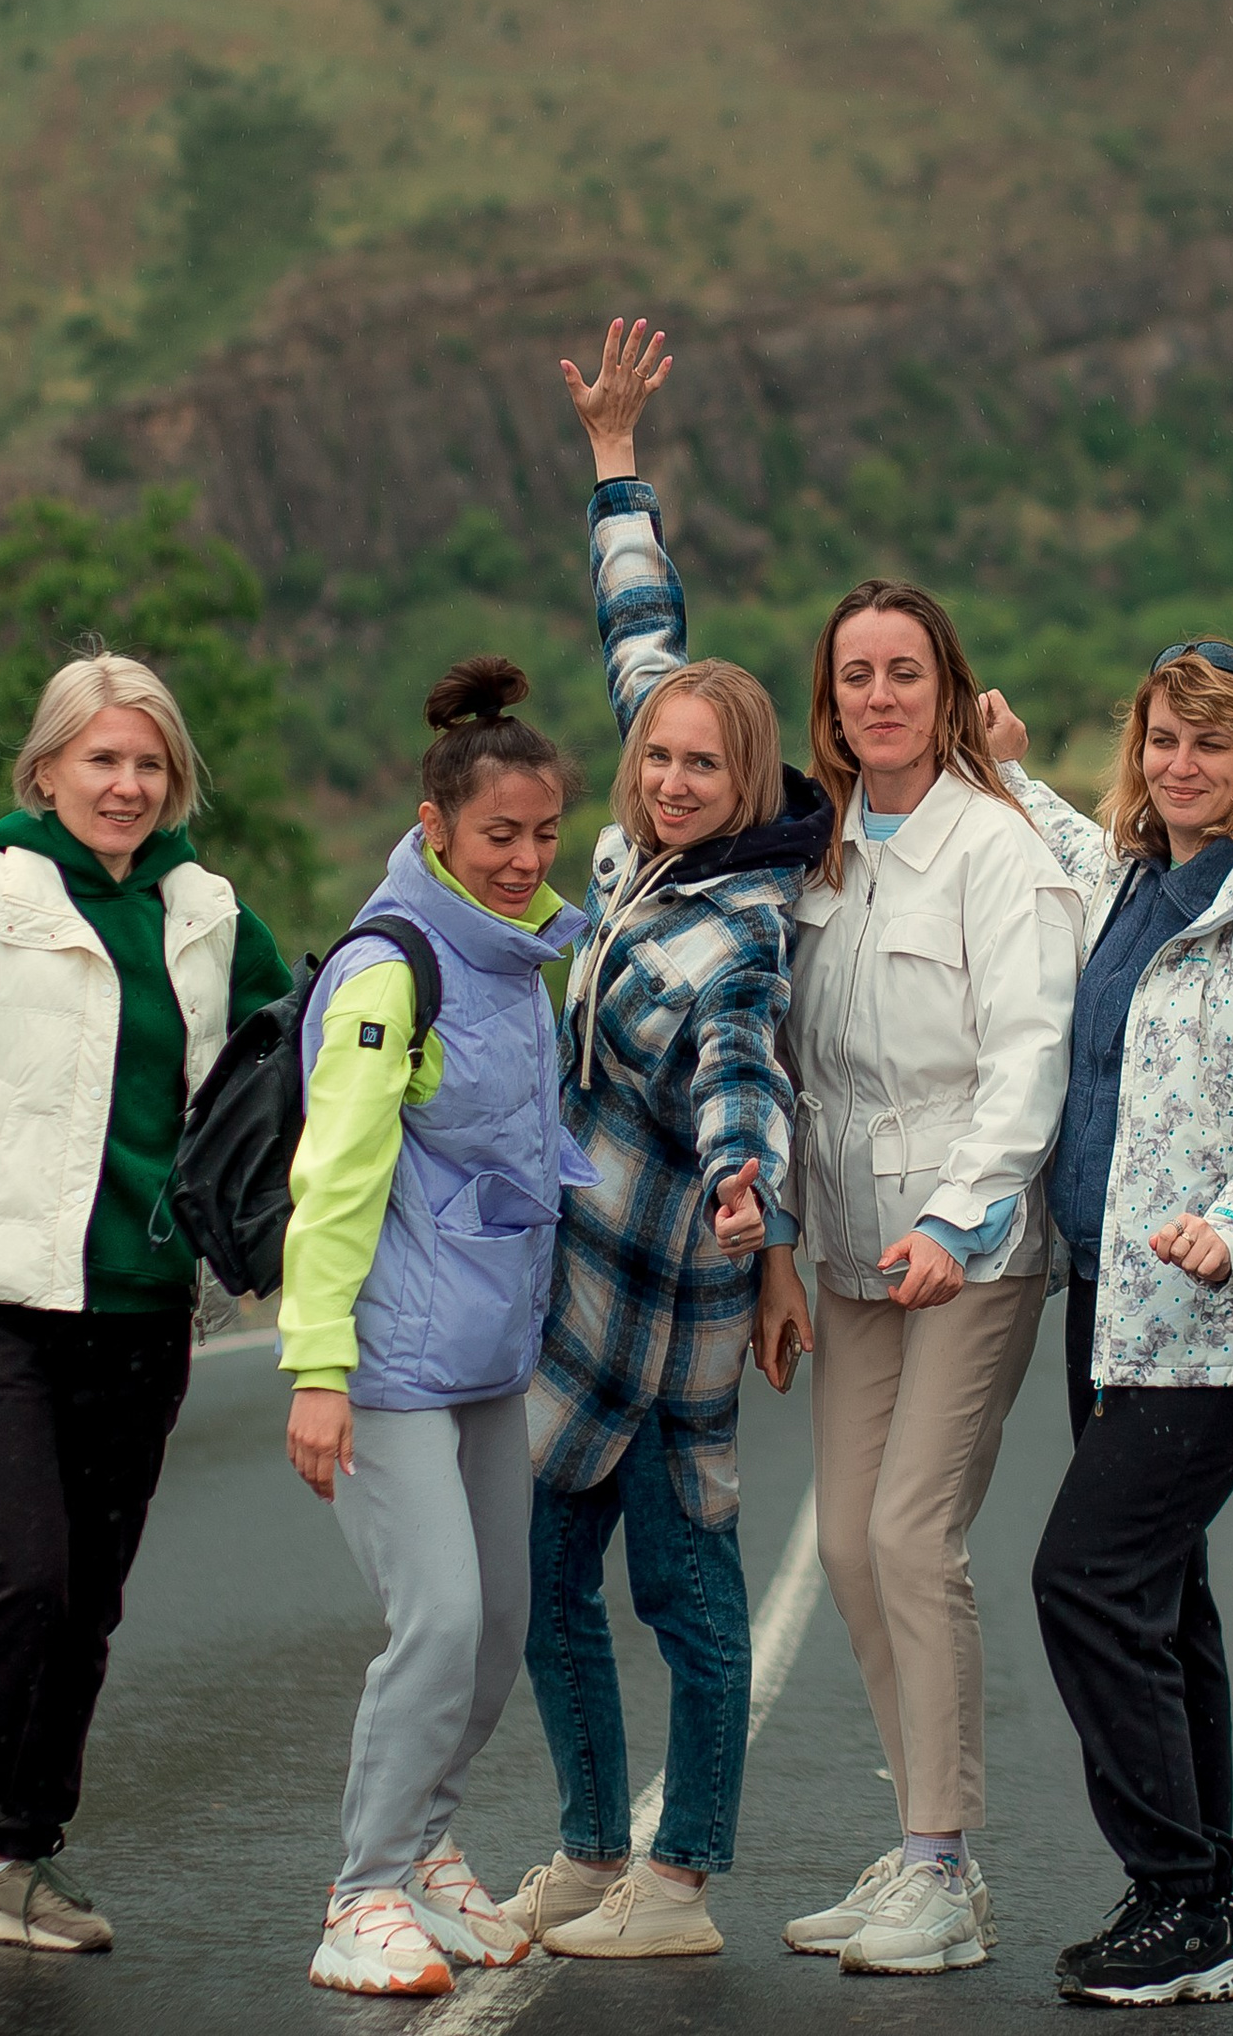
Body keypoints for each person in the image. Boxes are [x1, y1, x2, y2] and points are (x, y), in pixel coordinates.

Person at [0, 658, 294, 1973]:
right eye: (101, 759)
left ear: (174, 784)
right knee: (22, 1571)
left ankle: (23, 1856)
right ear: (46, 770)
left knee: (89, 1593)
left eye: (148, 763)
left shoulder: (212, 917)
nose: (126, 784)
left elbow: (302, 1047)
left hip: (145, 1300)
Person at [500, 321, 834, 1961]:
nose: (679, 773)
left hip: (677, 1313)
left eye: (708, 760)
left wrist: (749, 1195)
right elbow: (646, 629)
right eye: (660, 756)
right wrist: (614, 463)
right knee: (549, 1586)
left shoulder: (742, 927)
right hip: (580, 1301)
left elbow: (739, 1077)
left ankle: (682, 1880)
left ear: (749, 773)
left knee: (685, 1599)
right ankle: (582, 1846)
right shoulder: (641, 845)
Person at [985, 641, 1233, 2007]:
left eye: (1210, 742)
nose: (1182, 765)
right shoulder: (1140, 879)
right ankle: (1202, 1906)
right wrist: (1008, 764)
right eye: (1162, 739)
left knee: (1084, 1580)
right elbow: (1078, 855)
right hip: (1114, 1294)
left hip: (1217, 1307)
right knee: (1157, 1594)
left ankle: (1177, 1893)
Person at [770, 576, 1081, 1976]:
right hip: (844, 1241)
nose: (879, 696)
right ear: (827, 701)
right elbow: (785, 1067)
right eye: (855, 676)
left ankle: (947, 1871)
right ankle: (915, 1850)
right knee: (843, 1543)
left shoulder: (997, 848)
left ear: (948, 692)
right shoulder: (813, 850)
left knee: (910, 1534)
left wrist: (960, 1221)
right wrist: (782, 1251)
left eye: (906, 672)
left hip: (970, 1244)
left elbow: (1030, 1053)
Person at [280, 659, 594, 1999]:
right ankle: (363, 1891)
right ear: (435, 828)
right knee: (441, 1618)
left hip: (485, 1358)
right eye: (496, 839)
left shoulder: (519, 967)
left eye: (540, 835)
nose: (524, 860)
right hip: (389, 1363)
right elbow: (337, 1178)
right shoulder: (388, 969)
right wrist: (316, 1370)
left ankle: (427, 1848)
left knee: (501, 1619)